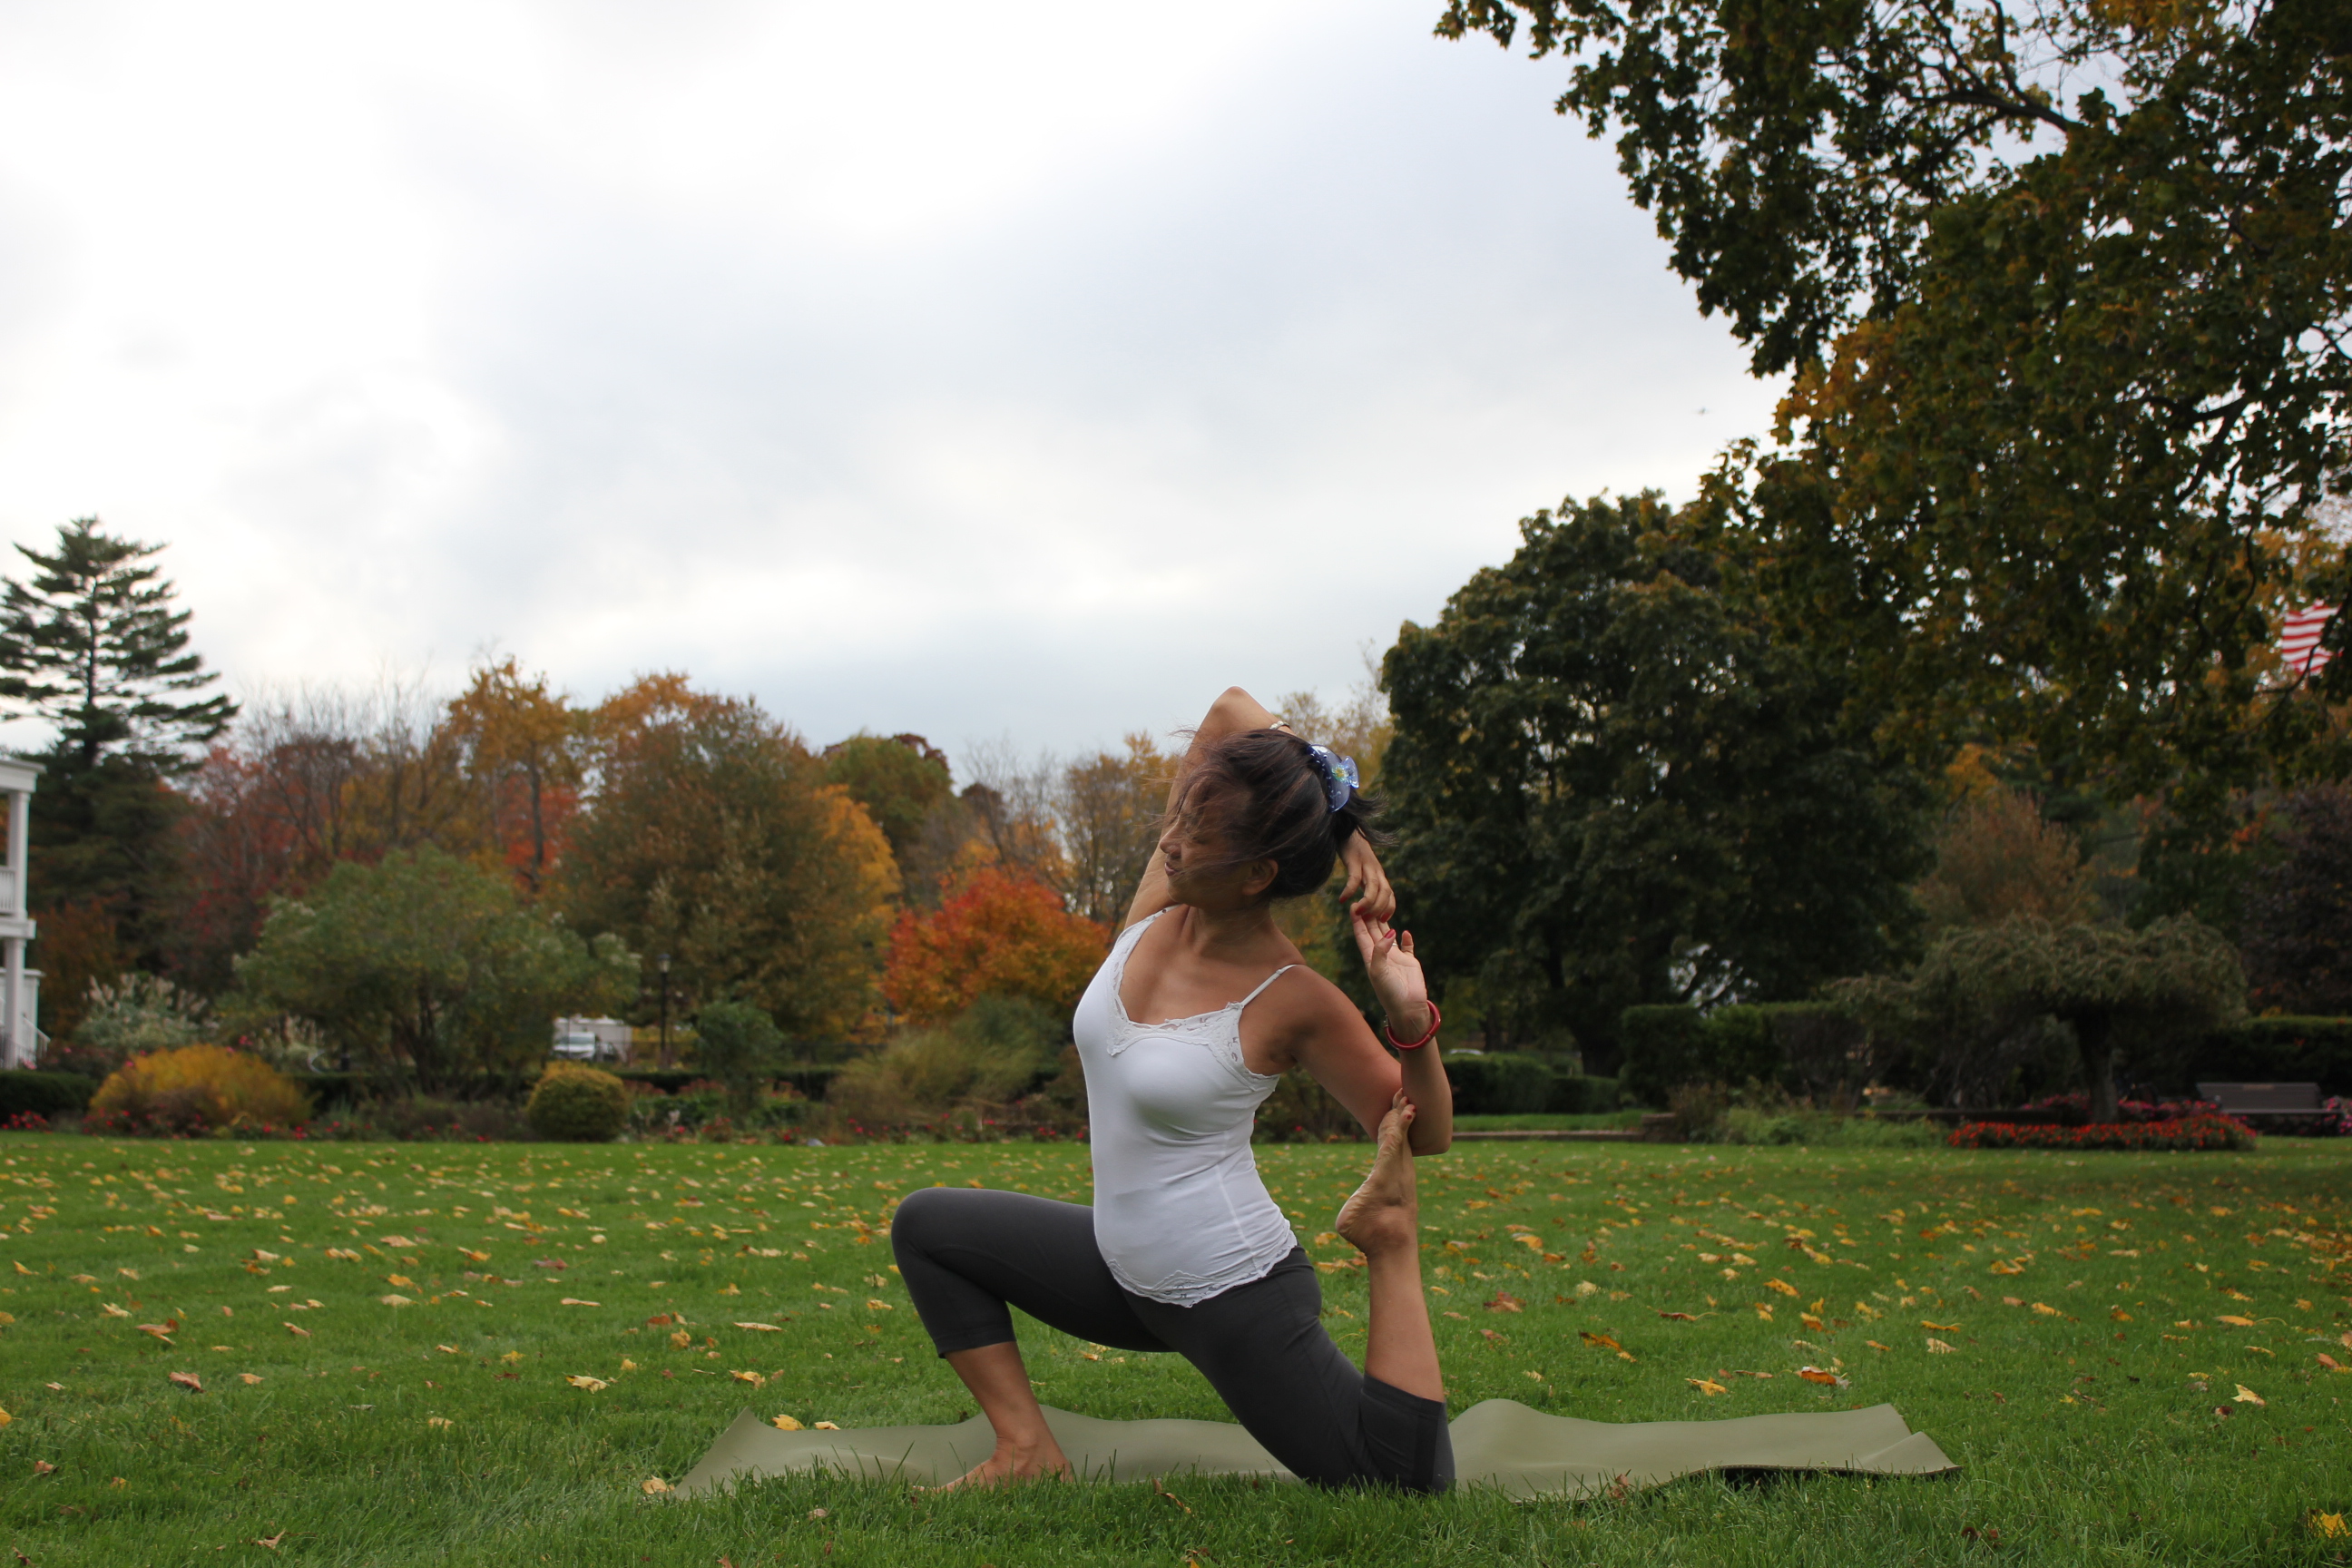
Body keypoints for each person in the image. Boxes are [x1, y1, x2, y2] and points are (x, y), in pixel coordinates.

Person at [892, 686, 1455, 1492]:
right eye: (1182, 815)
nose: (1171, 841)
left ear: (1258, 873)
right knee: (928, 1228)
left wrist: (1408, 1021)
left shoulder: (1292, 996)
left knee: (1402, 1484)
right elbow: (1230, 710)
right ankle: (1025, 1452)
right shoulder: (1159, 906)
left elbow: (1424, 1130)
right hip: (1119, 1270)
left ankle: (1390, 1242)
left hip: (1229, 1291)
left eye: (1197, 832)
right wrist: (1345, 826)